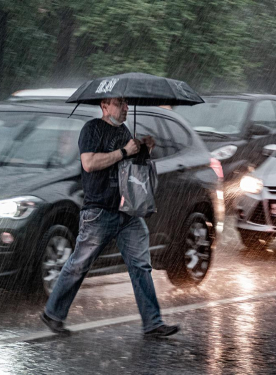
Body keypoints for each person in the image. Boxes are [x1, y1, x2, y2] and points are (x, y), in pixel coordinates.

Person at [40, 97, 179, 338]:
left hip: (127, 212)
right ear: (105, 106)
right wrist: (124, 150)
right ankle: (53, 313)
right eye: (120, 104)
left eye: (126, 104)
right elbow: (89, 163)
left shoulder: (125, 130)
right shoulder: (92, 129)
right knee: (79, 264)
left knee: (140, 265)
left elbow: (130, 168)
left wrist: (144, 149)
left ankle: (153, 323)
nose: (125, 108)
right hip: (99, 211)